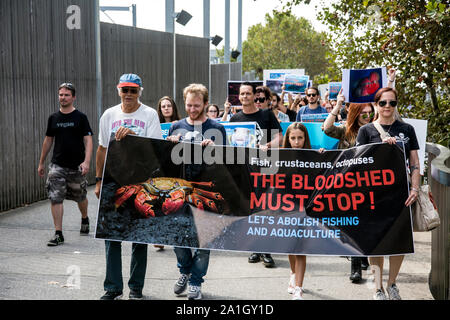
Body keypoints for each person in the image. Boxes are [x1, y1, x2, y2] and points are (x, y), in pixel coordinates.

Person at [95, 73, 162, 300]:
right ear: (118, 90)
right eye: (125, 90)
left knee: (139, 237)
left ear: (140, 92)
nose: (129, 95)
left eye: (133, 90)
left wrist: (134, 136)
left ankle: (136, 287)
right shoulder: (109, 115)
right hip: (114, 181)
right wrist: (98, 180)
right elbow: (102, 148)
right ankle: (113, 287)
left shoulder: (150, 114)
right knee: (111, 235)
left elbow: (155, 150)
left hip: (141, 182)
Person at [356, 87, 420, 300]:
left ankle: (392, 284)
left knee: (398, 241)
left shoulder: (407, 129)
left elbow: (415, 163)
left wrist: (415, 188)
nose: (387, 107)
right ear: (376, 104)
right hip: (373, 195)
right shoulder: (366, 131)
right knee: (376, 243)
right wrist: (380, 148)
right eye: (383, 103)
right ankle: (377, 287)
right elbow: (356, 163)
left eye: (392, 103)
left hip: (400, 195)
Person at [167, 83, 227, 300]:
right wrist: (169, 144)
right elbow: (168, 162)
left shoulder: (217, 128)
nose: (192, 109)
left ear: (205, 104)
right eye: (189, 105)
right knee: (177, 237)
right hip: (179, 192)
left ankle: (195, 281)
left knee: (203, 240)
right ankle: (184, 270)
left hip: (206, 192)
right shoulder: (176, 127)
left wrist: (214, 148)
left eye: (197, 105)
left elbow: (224, 164)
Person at [230, 81, 283, 267]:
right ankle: (255, 247)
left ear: (254, 96)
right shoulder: (235, 118)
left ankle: (266, 249)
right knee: (250, 208)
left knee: (265, 207)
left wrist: (267, 146)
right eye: (242, 94)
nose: (244, 97)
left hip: (266, 166)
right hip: (245, 169)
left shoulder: (266, 115)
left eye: (248, 94)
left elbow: (279, 138)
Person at [323, 89, 373, 281]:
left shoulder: (377, 129)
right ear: (355, 114)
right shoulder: (346, 131)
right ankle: (356, 267)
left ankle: (363, 257)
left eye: (370, 112)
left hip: (370, 185)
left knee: (366, 225)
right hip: (349, 185)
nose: (367, 116)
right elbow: (327, 128)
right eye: (363, 113)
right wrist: (337, 105)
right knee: (352, 225)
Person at [38, 83, 93, 246]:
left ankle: (84, 218)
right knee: (55, 198)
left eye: (66, 95)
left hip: (77, 165)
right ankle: (58, 233)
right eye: (61, 95)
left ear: (73, 97)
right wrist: (41, 162)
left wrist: (87, 161)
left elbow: (88, 140)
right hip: (57, 165)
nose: (63, 97)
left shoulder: (81, 117)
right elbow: (48, 140)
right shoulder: (53, 118)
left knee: (80, 196)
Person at [282, 123, 312, 300]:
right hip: (286, 207)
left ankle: (299, 288)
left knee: (300, 247)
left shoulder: (313, 156)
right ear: (288, 139)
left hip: (305, 208)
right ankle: (293, 273)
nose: (296, 142)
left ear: (305, 139)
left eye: (300, 138)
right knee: (290, 245)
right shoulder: (280, 156)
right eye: (293, 138)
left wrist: (323, 157)